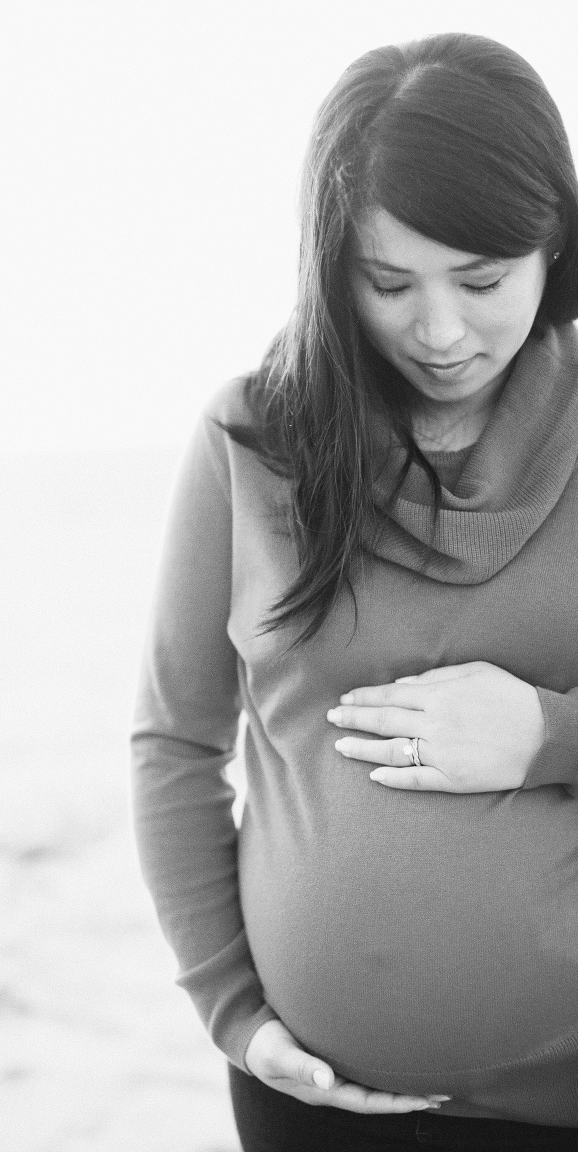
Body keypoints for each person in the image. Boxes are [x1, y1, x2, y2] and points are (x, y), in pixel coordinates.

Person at [131, 32, 578, 1151]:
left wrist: (550, 736)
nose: (439, 332)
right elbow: (174, 744)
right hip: (313, 1103)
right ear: (332, 267)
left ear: (553, 243)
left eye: (482, 280)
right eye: (389, 282)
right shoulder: (252, 437)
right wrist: (234, 1013)